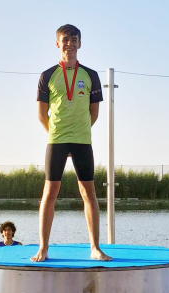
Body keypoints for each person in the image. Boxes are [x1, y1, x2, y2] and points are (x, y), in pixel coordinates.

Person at [31, 24, 111, 262]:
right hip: (56, 141)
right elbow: (41, 114)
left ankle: (95, 248)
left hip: (82, 142)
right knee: (49, 193)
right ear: (58, 43)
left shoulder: (91, 75)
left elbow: (93, 113)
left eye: (74, 39)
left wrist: (79, 132)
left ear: (80, 43)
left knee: (89, 193)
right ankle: (43, 249)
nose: (70, 44)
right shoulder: (47, 75)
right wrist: (56, 134)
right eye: (65, 40)